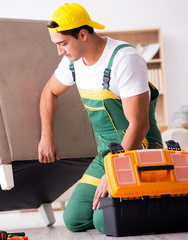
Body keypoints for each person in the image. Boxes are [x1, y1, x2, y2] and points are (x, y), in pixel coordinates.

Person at [37, 2, 163, 233]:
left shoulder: (124, 59)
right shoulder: (72, 63)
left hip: (139, 149)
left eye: (63, 43)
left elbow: (140, 125)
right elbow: (49, 92)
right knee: (74, 220)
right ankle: (129, 205)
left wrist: (115, 171)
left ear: (82, 34)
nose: (59, 51)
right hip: (107, 152)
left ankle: (158, 204)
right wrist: (46, 136)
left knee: (106, 222)